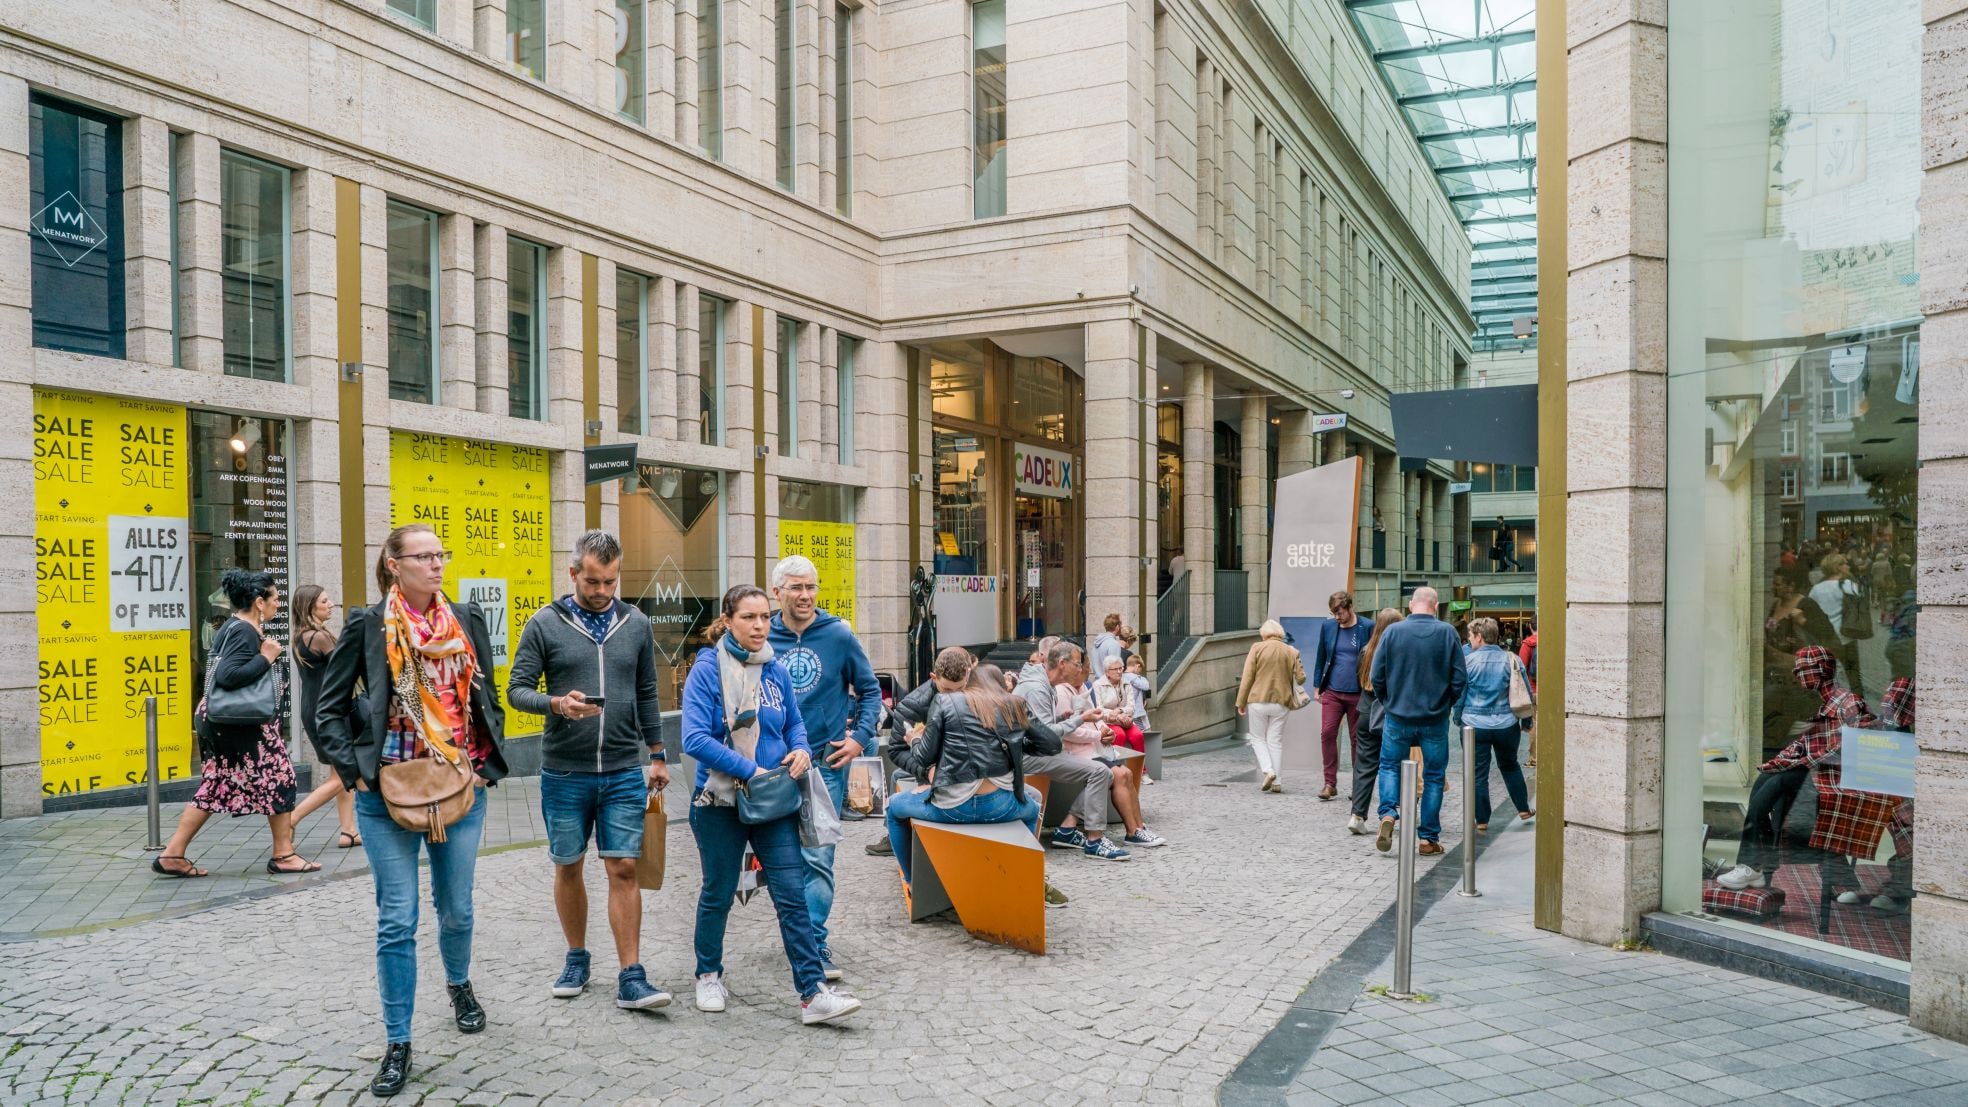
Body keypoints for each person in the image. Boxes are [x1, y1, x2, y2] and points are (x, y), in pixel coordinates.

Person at [315, 524, 509, 1098]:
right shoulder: (368, 626)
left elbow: (484, 695)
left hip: (458, 788)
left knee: (457, 910)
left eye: (440, 554)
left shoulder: (466, 619)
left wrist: (481, 762)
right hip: (388, 795)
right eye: (423, 556)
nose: (436, 564)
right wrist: (356, 775)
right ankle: (397, 1042)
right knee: (396, 920)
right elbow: (327, 710)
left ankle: (459, 984)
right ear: (394, 565)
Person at [506, 530, 672, 1012]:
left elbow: (646, 693)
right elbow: (517, 690)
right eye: (594, 581)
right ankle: (577, 957)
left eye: (611, 582)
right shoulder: (544, 624)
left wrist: (658, 754)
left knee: (623, 866)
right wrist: (556, 703)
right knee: (568, 865)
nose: (602, 592)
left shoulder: (635, 623)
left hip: (622, 768)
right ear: (573, 572)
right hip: (564, 771)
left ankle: (631, 975)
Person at [681, 584, 861, 1026]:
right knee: (718, 893)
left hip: (774, 801)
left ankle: (813, 993)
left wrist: (800, 751)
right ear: (727, 621)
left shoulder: (775, 668)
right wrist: (749, 770)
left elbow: (795, 723)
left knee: (791, 895)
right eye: (749, 618)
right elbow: (694, 738)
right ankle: (708, 974)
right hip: (720, 801)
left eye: (764, 617)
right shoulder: (707, 669)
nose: (761, 626)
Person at [152, 568, 313, 879]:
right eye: (275, 599)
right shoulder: (243, 631)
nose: (278, 604)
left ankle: (173, 853)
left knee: (217, 784)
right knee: (280, 776)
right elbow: (228, 677)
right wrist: (266, 656)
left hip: (223, 721)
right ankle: (283, 855)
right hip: (241, 723)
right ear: (258, 602)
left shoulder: (233, 626)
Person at [765, 555, 881, 984]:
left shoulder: (837, 634)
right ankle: (797, 934)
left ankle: (813, 942)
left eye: (811, 587)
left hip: (824, 767)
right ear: (778, 591)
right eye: (796, 588)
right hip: (772, 769)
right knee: (780, 858)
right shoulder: (762, 635)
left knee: (819, 858)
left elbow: (870, 692)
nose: (805, 596)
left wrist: (859, 738)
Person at [1715, 647, 1875, 891]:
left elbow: (1858, 744)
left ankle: (1751, 865)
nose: (1796, 674)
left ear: (1820, 671)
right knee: (1766, 780)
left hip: (1834, 778)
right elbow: (1804, 744)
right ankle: (1754, 867)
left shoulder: (1849, 703)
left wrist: (1805, 760)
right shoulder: (1823, 704)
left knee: (1776, 786)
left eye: (1802, 670)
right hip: (1815, 772)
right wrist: (1778, 762)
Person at [884, 653, 1047, 884]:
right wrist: (928, 772)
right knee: (1032, 804)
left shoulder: (977, 701)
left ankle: (914, 881)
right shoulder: (915, 704)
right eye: (948, 690)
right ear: (934, 677)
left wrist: (916, 742)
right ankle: (1023, 878)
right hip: (986, 798)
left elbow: (924, 753)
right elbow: (899, 752)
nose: (955, 695)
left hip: (954, 802)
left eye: (960, 688)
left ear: (969, 675)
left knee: (893, 807)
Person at [1370, 587, 1467, 856]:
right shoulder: (1447, 633)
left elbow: (1377, 675)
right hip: (1434, 718)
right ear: (1435, 606)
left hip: (1398, 715)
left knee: (1389, 766)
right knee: (1434, 776)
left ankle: (1388, 814)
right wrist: (1445, 703)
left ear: (1411, 605)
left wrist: (1389, 701)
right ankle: (1427, 839)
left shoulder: (1393, 632)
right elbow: (1460, 678)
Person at [1016, 640, 1133, 859]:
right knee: (1101, 772)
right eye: (1077, 664)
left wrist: (1064, 717)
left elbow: (1038, 725)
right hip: (1031, 754)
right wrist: (1080, 719)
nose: (1081, 669)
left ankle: (1069, 830)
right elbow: (1046, 734)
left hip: (1037, 750)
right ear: (1062, 663)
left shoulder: (1043, 684)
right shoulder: (1038, 687)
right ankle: (1094, 840)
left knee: (1104, 773)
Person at [1052, 652, 1164, 847]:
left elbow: (1095, 718)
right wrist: (1099, 734)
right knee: (1118, 775)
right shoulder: (1063, 692)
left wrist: (1104, 729)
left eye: (1083, 667)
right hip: (1079, 753)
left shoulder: (1081, 688)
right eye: (1082, 668)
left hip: (1094, 749)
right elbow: (1069, 731)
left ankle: (1139, 828)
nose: (1085, 672)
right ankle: (1132, 831)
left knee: (1127, 773)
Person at [288, 585, 361, 849]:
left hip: (314, 709)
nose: (331, 604)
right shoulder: (319, 637)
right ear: (310, 607)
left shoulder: (300, 636)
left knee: (338, 771)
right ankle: (292, 819)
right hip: (331, 712)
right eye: (324, 600)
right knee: (344, 774)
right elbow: (347, 668)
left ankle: (348, 831)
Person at [1456, 618, 1533, 832]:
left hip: (1474, 724)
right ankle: (1523, 807)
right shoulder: (1512, 659)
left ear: (1479, 636)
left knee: (1478, 773)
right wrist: (1526, 720)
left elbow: (1460, 695)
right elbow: (1524, 692)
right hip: (1506, 724)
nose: (1469, 641)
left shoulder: (1467, 662)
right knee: (1510, 765)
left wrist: (1457, 718)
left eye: (1471, 637)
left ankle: (1482, 819)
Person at [1311, 591, 1371, 802]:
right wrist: (1317, 685)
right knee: (1327, 733)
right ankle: (1329, 783)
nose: (1337, 617)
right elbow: (1321, 656)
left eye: (1340, 612)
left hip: (1358, 693)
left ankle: (1358, 787)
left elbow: (1372, 657)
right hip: (1333, 692)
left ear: (1350, 607)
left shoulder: (1366, 627)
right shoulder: (1328, 627)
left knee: (1358, 740)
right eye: (1334, 613)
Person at [1347, 609, 1403, 834]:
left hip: (1367, 713)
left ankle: (1357, 815)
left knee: (1364, 766)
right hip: (1392, 714)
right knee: (1396, 764)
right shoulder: (1399, 653)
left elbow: (1358, 682)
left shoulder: (1365, 651)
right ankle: (1396, 810)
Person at [1237, 620, 1307, 794]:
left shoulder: (1256, 648)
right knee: (1275, 740)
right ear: (1280, 634)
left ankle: (1268, 771)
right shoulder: (1291, 651)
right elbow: (1301, 678)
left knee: (1257, 738)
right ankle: (1277, 782)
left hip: (1258, 700)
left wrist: (1241, 702)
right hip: (1281, 702)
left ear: (1264, 634)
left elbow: (1247, 677)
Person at [1807, 553, 1866, 699]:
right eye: (1844, 563)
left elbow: (1811, 611)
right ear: (1837, 567)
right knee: (1853, 674)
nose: (1848, 565)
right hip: (1846, 636)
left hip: (1826, 637)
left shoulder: (1816, 589)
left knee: (1826, 674)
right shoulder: (1849, 585)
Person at [1090, 655, 1145, 758]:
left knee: (1138, 735)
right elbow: (1098, 709)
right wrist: (1117, 716)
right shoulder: (1097, 685)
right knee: (1119, 735)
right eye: (1115, 669)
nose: (1119, 671)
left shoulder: (1126, 683)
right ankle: (1116, 766)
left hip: (1126, 720)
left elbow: (1132, 707)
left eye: (1121, 668)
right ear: (1107, 671)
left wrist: (1120, 711)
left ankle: (1142, 770)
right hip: (1108, 722)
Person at [1123, 654, 1154, 782]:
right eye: (1140, 669)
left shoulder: (1124, 677)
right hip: (1136, 714)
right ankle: (1143, 771)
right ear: (1137, 666)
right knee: (1143, 737)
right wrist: (1139, 677)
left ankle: (1141, 770)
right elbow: (1146, 685)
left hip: (1133, 713)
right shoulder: (1132, 677)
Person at [1089, 612, 1124, 678]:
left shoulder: (1097, 643)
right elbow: (1115, 668)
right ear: (1117, 627)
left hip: (1097, 682)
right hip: (1108, 683)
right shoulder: (1113, 643)